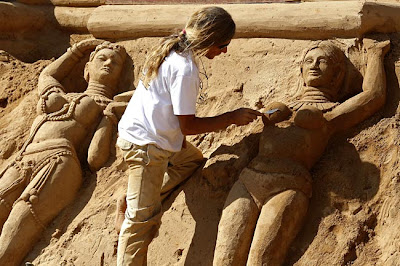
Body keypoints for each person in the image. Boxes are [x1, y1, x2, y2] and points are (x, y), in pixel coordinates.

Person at [213, 39, 390, 265]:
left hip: (289, 185)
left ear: (337, 74)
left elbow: (373, 96)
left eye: (322, 61)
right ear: (301, 69)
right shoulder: (287, 104)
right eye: (309, 61)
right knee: (224, 258)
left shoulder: (331, 115)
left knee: (261, 260)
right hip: (248, 180)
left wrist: (375, 55)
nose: (314, 65)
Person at [116, 6, 262, 266]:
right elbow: (189, 126)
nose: (225, 51)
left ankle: (136, 197)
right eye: (224, 44)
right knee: (140, 225)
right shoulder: (185, 69)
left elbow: (163, 103)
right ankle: (137, 206)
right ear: (211, 39)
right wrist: (231, 117)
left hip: (144, 132)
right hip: (147, 146)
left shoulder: (171, 48)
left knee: (191, 161)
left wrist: (176, 134)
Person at [0, 39, 128, 266]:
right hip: (23, 159)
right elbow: (47, 76)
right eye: (102, 58)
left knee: (21, 220)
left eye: (115, 63)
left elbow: (95, 159)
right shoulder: (64, 95)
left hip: (58, 163)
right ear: (87, 69)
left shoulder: (106, 105)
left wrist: (109, 117)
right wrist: (77, 51)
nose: (108, 63)